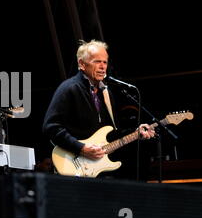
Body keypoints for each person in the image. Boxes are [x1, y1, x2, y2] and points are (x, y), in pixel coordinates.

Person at [42, 40, 155, 173]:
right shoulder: (69, 88)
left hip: (98, 169)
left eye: (105, 62)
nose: (102, 66)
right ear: (81, 64)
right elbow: (50, 127)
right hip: (73, 164)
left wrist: (136, 132)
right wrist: (80, 148)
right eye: (97, 61)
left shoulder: (106, 93)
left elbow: (112, 133)